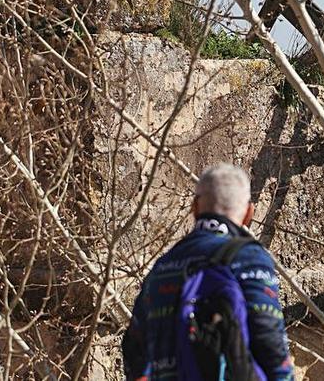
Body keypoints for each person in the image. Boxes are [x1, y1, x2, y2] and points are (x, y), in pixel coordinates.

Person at [122, 163, 294, 381]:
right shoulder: (249, 259)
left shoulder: (163, 266)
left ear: (195, 207)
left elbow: (134, 348)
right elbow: (269, 339)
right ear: (249, 213)